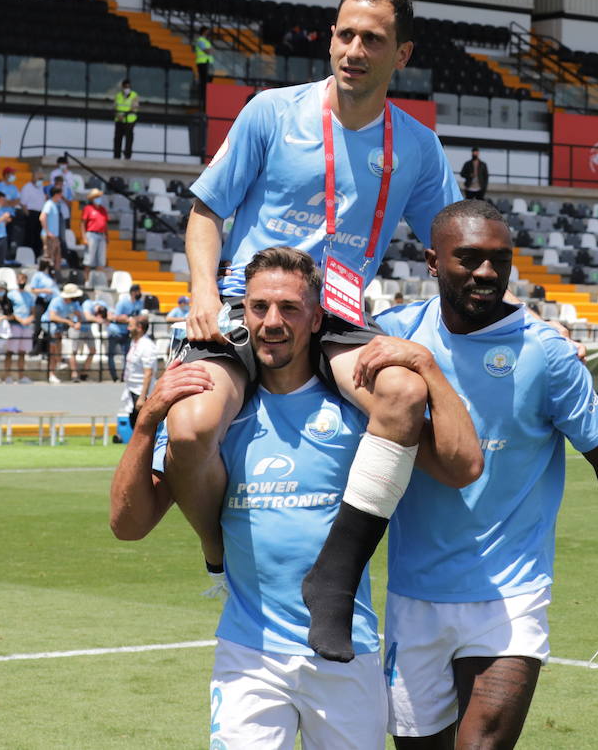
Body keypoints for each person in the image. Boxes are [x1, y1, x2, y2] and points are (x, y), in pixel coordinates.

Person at [169, 0, 462, 663]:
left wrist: (525, 316)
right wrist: (205, 294)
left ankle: (335, 577)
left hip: (332, 313)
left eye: (374, 39)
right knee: (190, 428)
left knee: (403, 396)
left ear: (402, 54)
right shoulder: (271, 112)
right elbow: (206, 213)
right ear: (331, 38)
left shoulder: (417, 147)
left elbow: (452, 245)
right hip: (252, 300)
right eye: (346, 34)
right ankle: (219, 559)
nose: (355, 49)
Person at [109, 246, 477, 747]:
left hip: (347, 650)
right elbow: (127, 524)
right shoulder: (219, 414)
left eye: (289, 308)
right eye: (259, 308)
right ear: (243, 312)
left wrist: (430, 369)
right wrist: (146, 423)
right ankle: (215, 557)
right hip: (249, 655)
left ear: (317, 318)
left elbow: (461, 467)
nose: (272, 322)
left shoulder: (357, 411)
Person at [374, 203, 598, 746]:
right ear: (432, 261)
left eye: (498, 260)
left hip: (512, 595)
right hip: (414, 595)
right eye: (469, 258)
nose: (485, 273)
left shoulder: (546, 352)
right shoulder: (392, 334)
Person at [44, 281, 85, 383]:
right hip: (48, 323)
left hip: (59, 325)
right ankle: (53, 370)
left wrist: (78, 322)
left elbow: (80, 315)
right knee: (54, 345)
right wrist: (68, 321)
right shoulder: (56, 301)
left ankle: (58, 361)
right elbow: (52, 317)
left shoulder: (74, 303)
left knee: (58, 341)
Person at [120, 314, 157, 419]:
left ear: (139, 328)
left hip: (141, 392)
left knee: (142, 428)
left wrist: (142, 397)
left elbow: (148, 373)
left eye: (131, 326)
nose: (128, 328)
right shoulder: (135, 343)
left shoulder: (147, 346)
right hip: (132, 390)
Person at [81, 188, 110, 284]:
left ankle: (98, 281)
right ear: (93, 198)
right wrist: (84, 237)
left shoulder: (103, 209)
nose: (99, 199)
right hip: (91, 234)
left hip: (101, 235)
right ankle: (87, 280)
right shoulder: (88, 209)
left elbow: (105, 224)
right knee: (89, 260)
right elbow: (82, 223)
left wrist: (107, 236)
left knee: (101, 260)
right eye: (97, 197)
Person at [112, 79, 139, 159]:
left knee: (128, 140)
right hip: (119, 120)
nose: (126, 88)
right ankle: (117, 156)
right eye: (125, 87)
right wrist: (118, 115)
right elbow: (114, 107)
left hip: (130, 121)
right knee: (117, 139)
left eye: (128, 87)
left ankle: (127, 156)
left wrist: (124, 114)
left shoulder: (134, 95)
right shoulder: (118, 96)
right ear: (122, 87)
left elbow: (135, 107)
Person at [40, 184, 65, 269]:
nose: (61, 196)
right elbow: (42, 217)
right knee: (48, 257)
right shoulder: (49, 204)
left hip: (54, 236)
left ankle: (55, 275)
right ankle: (46, 274)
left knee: (57, 256)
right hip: (49, 236)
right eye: (60, 194)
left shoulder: (55, 205)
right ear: (56, 194)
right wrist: (47, 232)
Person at [194, 26, 214, 95]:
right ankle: (203, 97)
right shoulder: (200, 40)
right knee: (204, 81)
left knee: (209, 81)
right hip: (203, 63)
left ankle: (206, 96)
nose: (208, 32)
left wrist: (210, 50)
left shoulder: (206, 41)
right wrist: (210, 50)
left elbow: (211, 51)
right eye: (207, 31)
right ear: (203, 31)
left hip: (208, 63)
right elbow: (207, 51)